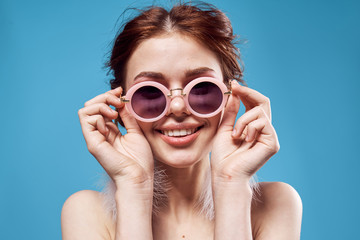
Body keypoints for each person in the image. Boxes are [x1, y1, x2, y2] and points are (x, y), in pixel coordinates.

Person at [61, 2, 302, 239]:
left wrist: (231, 185)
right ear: (121, 104)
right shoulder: (86, 213)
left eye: (201, 88)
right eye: (150, 92)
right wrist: (133, 186)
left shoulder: (277, 204)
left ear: (231, 95)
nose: (177, 107)